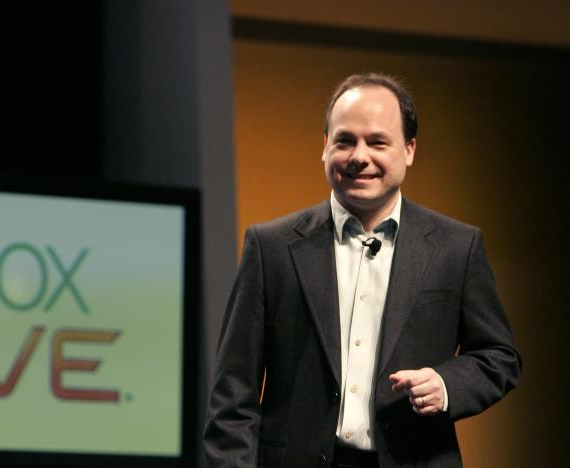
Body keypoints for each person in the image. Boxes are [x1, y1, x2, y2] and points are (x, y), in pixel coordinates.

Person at [203, 73, 521, 468]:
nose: (359, 156)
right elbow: (232, 393)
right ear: (324, 148)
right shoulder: (271, 247)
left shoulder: (456, 247)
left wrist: (446, 384)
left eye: (377, 142)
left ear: (409, 149)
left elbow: (499, 356)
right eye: (344, 140)